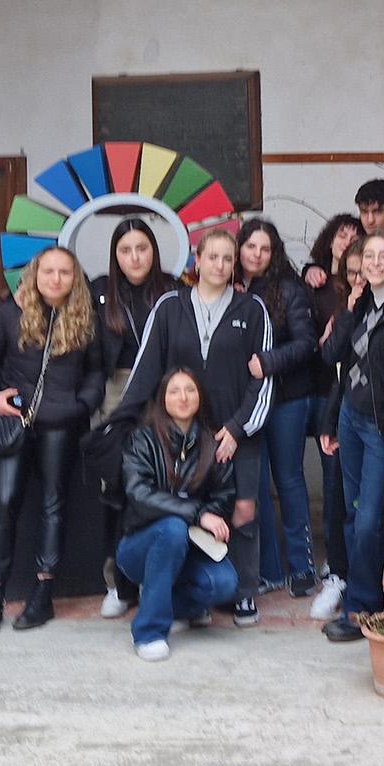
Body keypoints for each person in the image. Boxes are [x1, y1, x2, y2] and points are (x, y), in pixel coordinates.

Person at [116, 227, 273, 629]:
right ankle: (186, 585)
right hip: (183, 429)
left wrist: (238, 429)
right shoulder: (170, 306)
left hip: (237, 431)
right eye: (212, 257)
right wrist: (124, 423)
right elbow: (146, 368)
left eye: (227, 258)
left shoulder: (252, 309)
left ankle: (243, 592)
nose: (220, 265)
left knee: (242, 510)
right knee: (183, 507)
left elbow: (264, 377)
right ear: (196, 261)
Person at [0, 245, 106, 634]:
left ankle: (42, 594)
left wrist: (81, 405)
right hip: (16, 422)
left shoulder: (85, 318)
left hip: (61, 423)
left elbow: (97, 372)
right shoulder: (10, 313)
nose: (55, 279)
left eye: (64, 272)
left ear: (74, 278)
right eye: (48, 271)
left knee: (52, 505)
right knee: (5, 502)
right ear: (35, 274)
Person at [319, 230, 384, 642]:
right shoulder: (357, 306)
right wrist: (350, 308)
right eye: (368, 257)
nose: (374, 264)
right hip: (350, 419)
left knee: (370, 518)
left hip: (380, 425)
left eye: (383, 257)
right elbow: (331, 357)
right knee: (354, 514)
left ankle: (364, 607)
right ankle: (361, 602)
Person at [92, 217, 186, 618]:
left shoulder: (174, 288)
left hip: (165, 392)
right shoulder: (100, 291)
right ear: (115, 255)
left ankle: (160, 579)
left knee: (164, 482)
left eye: (142, 248)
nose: (135, 257)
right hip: (116, 391)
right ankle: (119, 582)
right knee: (117, 487)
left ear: (154, 250)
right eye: (126, 250)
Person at [116, 367, 239, 661]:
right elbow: (139, 494)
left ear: (200, 397)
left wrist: (209, 515)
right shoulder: (141, 440)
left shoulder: (212, 443)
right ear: (162, 398)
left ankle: (165, 602)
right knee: (171, 528)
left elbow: (223, 496)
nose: (183, 397)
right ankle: (149, 632)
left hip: (189, 549)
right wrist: (197, 514)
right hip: (139, 547)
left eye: (190, 390)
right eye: (174, 391)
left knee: (224, 583)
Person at [238, 218, 320, 599]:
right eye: (251, 246)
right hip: (249, 403)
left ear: (274, 254)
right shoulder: (231, 288)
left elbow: (307, 344)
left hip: (287, 399)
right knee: (255, 486)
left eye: (264, 248)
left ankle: (301, 567)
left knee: (288, 481)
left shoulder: (289, 289)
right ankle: (268, 569)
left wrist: (268, 361)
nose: (256, 254)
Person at [307, 219, 364, 620]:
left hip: (381, 417)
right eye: (354, 272)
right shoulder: (341, 305)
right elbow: (330, 359)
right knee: (337, 494)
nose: (361, 278)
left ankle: (364, 579)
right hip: (341, 409)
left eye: (369, 269)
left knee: (372, 508)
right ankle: (339, 575)